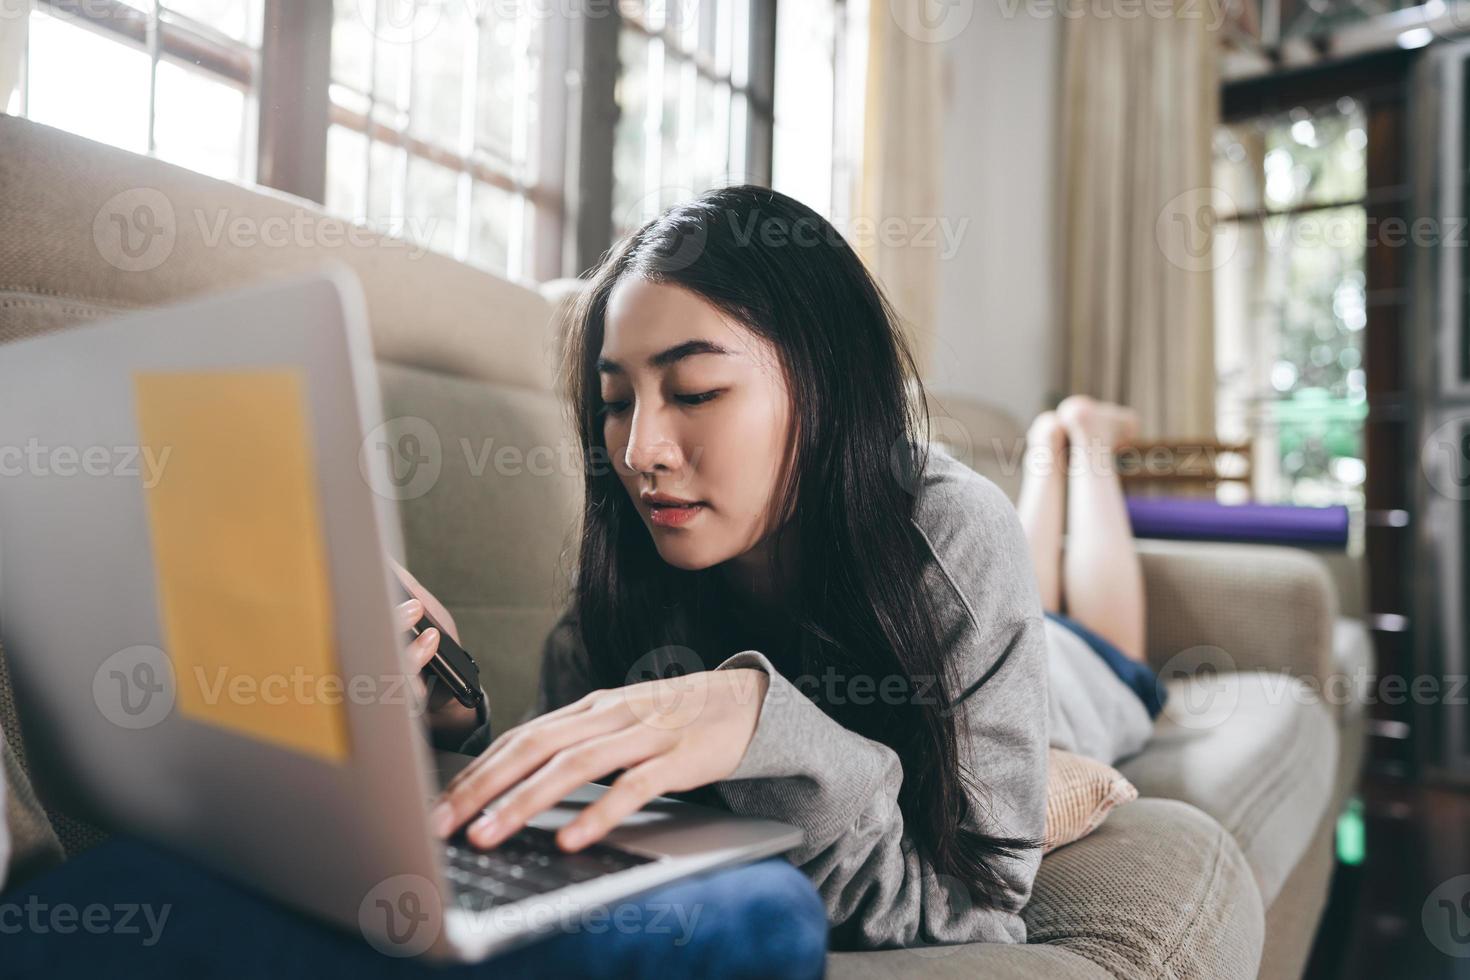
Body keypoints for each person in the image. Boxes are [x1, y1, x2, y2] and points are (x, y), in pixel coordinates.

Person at [422, 185, 1166, 951]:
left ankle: (1083, 439)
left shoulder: (957, 532)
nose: (639, 450)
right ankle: (1058, 445)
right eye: (616, 400)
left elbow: (978, 911)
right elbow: (565, 804)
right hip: (995, 604)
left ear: (825, 385)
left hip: (1077, 677)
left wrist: (761, 722)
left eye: (695, 391)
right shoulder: (637, 557)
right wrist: (453, 718)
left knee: (1096, 637)